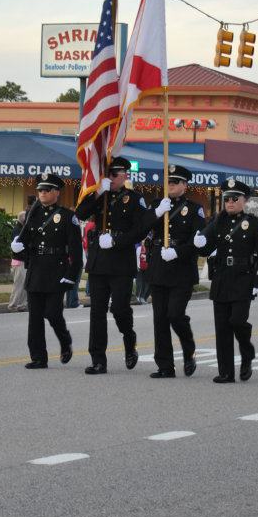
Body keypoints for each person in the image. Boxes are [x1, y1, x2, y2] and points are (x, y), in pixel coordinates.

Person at [75, 156, 151, 375]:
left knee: (119, 309)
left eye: (112, 174)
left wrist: (118, 240)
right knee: (97, 312)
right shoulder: (100, 195)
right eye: (106, 174)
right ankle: (98, 360)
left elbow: (141, 229)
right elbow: (79, 214)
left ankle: (129, 338)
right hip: (99, 261)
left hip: (120, 261)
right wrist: (98, 192)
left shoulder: (135, 199)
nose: (108, 178)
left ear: (124, 175)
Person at [194, 179, 258, 383]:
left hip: (243, 279)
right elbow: (205, 249)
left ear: (244, 200)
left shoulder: (255, 224)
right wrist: (199, 242)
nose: (230, 202)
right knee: (222, 328)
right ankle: (226, 372)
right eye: (227, 198)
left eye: (235, 198)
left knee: (237, 321)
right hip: (221, 278)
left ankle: (247, 352)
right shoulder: (217, 222)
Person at [10, 173, 82, 369]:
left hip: (56, 271)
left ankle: (64, 340)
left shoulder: (68, 217)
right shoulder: (33, 214)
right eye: (40, 189)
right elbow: (25, 241)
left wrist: (71, 276)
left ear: (57, 192)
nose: (42, 193)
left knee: (52, 313)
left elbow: (76, 252)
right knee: (34, 318)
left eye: (47, 190)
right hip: (36, 270)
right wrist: (17, 248)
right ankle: (38, 357)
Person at [142, 165, 206, 379]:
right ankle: (165, 366)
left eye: (175, 182)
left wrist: (178, 252)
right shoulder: (157, 205)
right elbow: (141, 228)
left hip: (181, 268)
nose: (170, 186)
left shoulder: (194, 208)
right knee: (160, 318)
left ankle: (189, 350)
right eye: (168, 182)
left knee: (175, 314)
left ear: (184, 185)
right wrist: (157, 212)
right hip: (159, 265)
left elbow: (197, 241)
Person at [8, 211, 29, 312]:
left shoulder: (23, 229)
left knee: (25, 284)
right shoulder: (17, 230)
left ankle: (22, 305)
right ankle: (13, 305)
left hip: (24, 260)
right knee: (19, 284)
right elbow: (16, 247)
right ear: (22, 219)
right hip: (19, 261)